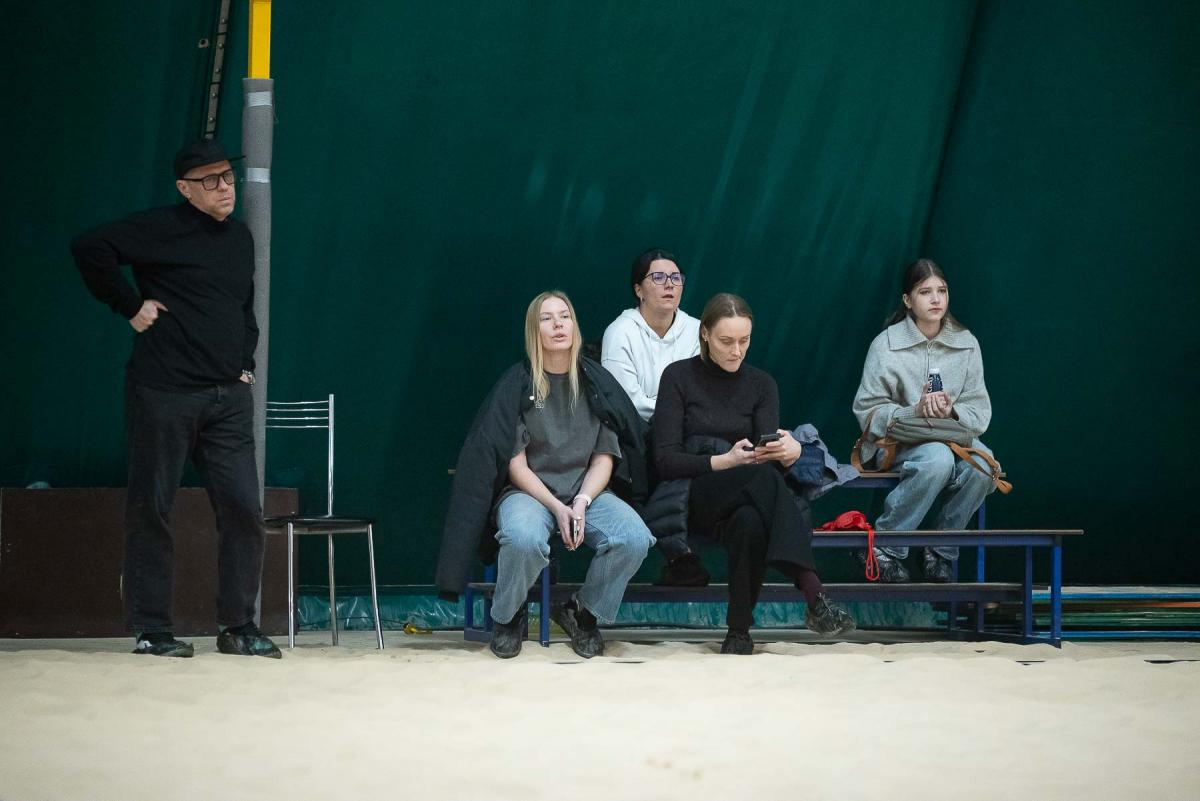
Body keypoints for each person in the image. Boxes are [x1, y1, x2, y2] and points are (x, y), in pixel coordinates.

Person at [70, 140, 280, 659]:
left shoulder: (239, 238)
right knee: (153, 508)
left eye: (228, 176)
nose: (224, 187)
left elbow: (243, 307)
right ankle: (152, 630)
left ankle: (238, 626)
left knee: (243, 508)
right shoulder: (159, 228)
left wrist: (245, 365)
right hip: (164, 392)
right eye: (210, 181)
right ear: (185, 189)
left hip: (228, 397)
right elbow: (89, 247)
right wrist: (129, 305)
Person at [436, 291, 654, 659]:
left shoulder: (595, 382)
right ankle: (508, 616)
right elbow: (516, 465)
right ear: (533, 330)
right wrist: (556, 507)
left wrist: (581, 501)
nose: (557, 325)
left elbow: (604, 457)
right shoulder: (518, 383)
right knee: (523, 538)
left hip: (587, 491)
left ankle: (582, 613)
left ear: (574, 326)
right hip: (529, 493)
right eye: (546, 318)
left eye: (564, 316)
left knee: (634, 538)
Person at [652, 293, 855, 654]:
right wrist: (725, 461)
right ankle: (813, 590)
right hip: (692, 495)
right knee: (761, 480)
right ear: (705, 334)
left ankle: (739, 633)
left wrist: (789, 452)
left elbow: (766, 455)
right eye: (726, 341)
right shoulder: (678, 377)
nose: (736, 351)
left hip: (747, 492)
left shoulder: (762, 384)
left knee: (750, 520)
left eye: (744, 340)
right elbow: (665, 460)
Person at [852, 258, 997, 583]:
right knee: (937, 459)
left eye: (941, 291)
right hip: (898, 441)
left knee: (984, 466)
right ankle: (884, 547)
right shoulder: (886, 345)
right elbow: (867, 411)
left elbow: (980, 412)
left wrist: (953, 411)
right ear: (907, 300)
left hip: (952, 437)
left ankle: (940, 550)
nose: (935, 299)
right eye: (925, 292)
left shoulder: (967, 343)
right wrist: (913, 411)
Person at [600, 248, 700, 422]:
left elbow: (701, 395)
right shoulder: (619, 333)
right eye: (658, 277)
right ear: (638, 290)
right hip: (635, 431)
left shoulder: (697, 330)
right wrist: (678, 411)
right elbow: (626, 402)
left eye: (676, 278)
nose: (669, 284)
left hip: (690, 428)